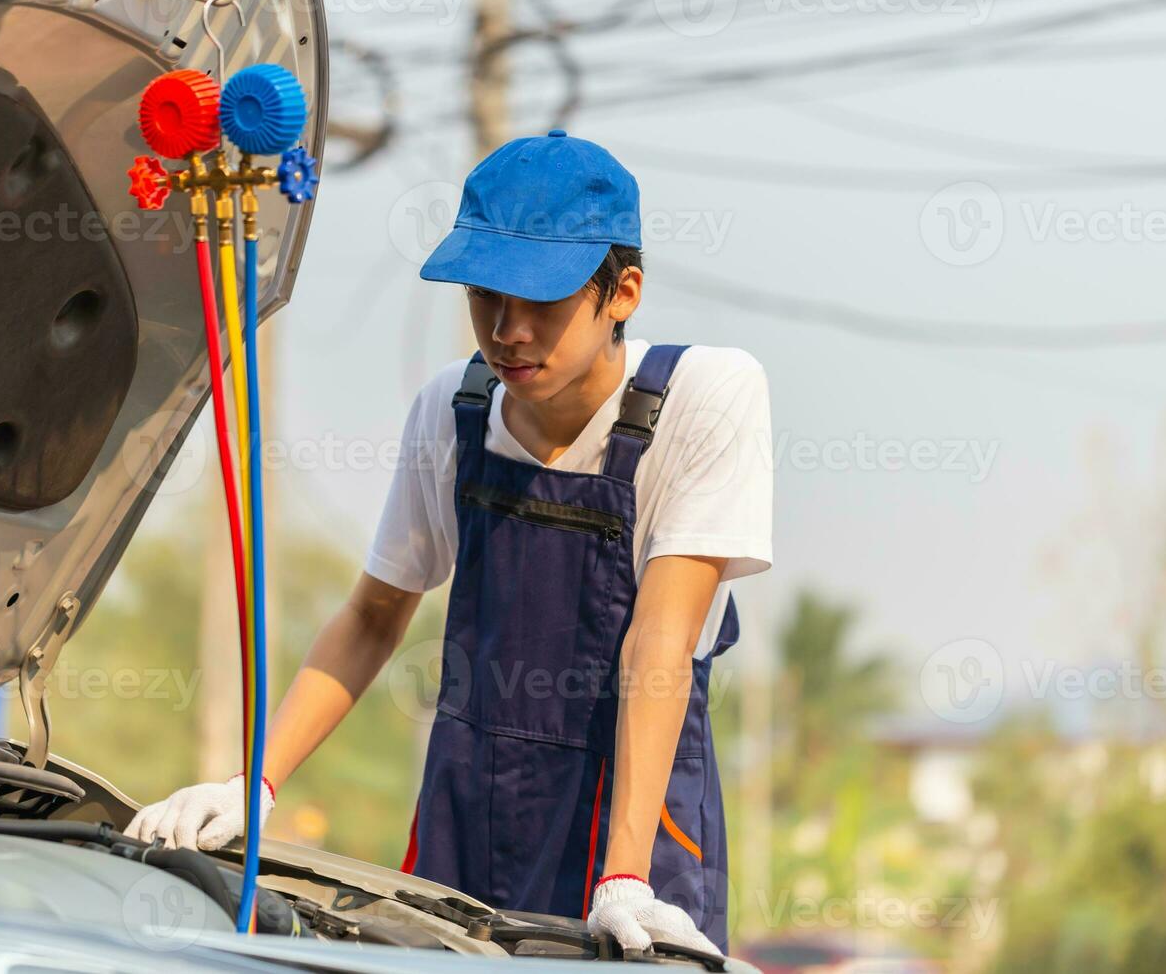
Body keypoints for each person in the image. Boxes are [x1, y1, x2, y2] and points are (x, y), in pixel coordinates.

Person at [127, 129, 773, 955]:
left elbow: (660, 643)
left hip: (634, 825)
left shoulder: (703, 398)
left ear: (623, 292)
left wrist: (621, 878)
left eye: (540, 301)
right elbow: (372, 617)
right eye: (484, 297)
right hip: (470, 814)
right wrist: (253, 785)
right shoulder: (454, 411)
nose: (507, 331)